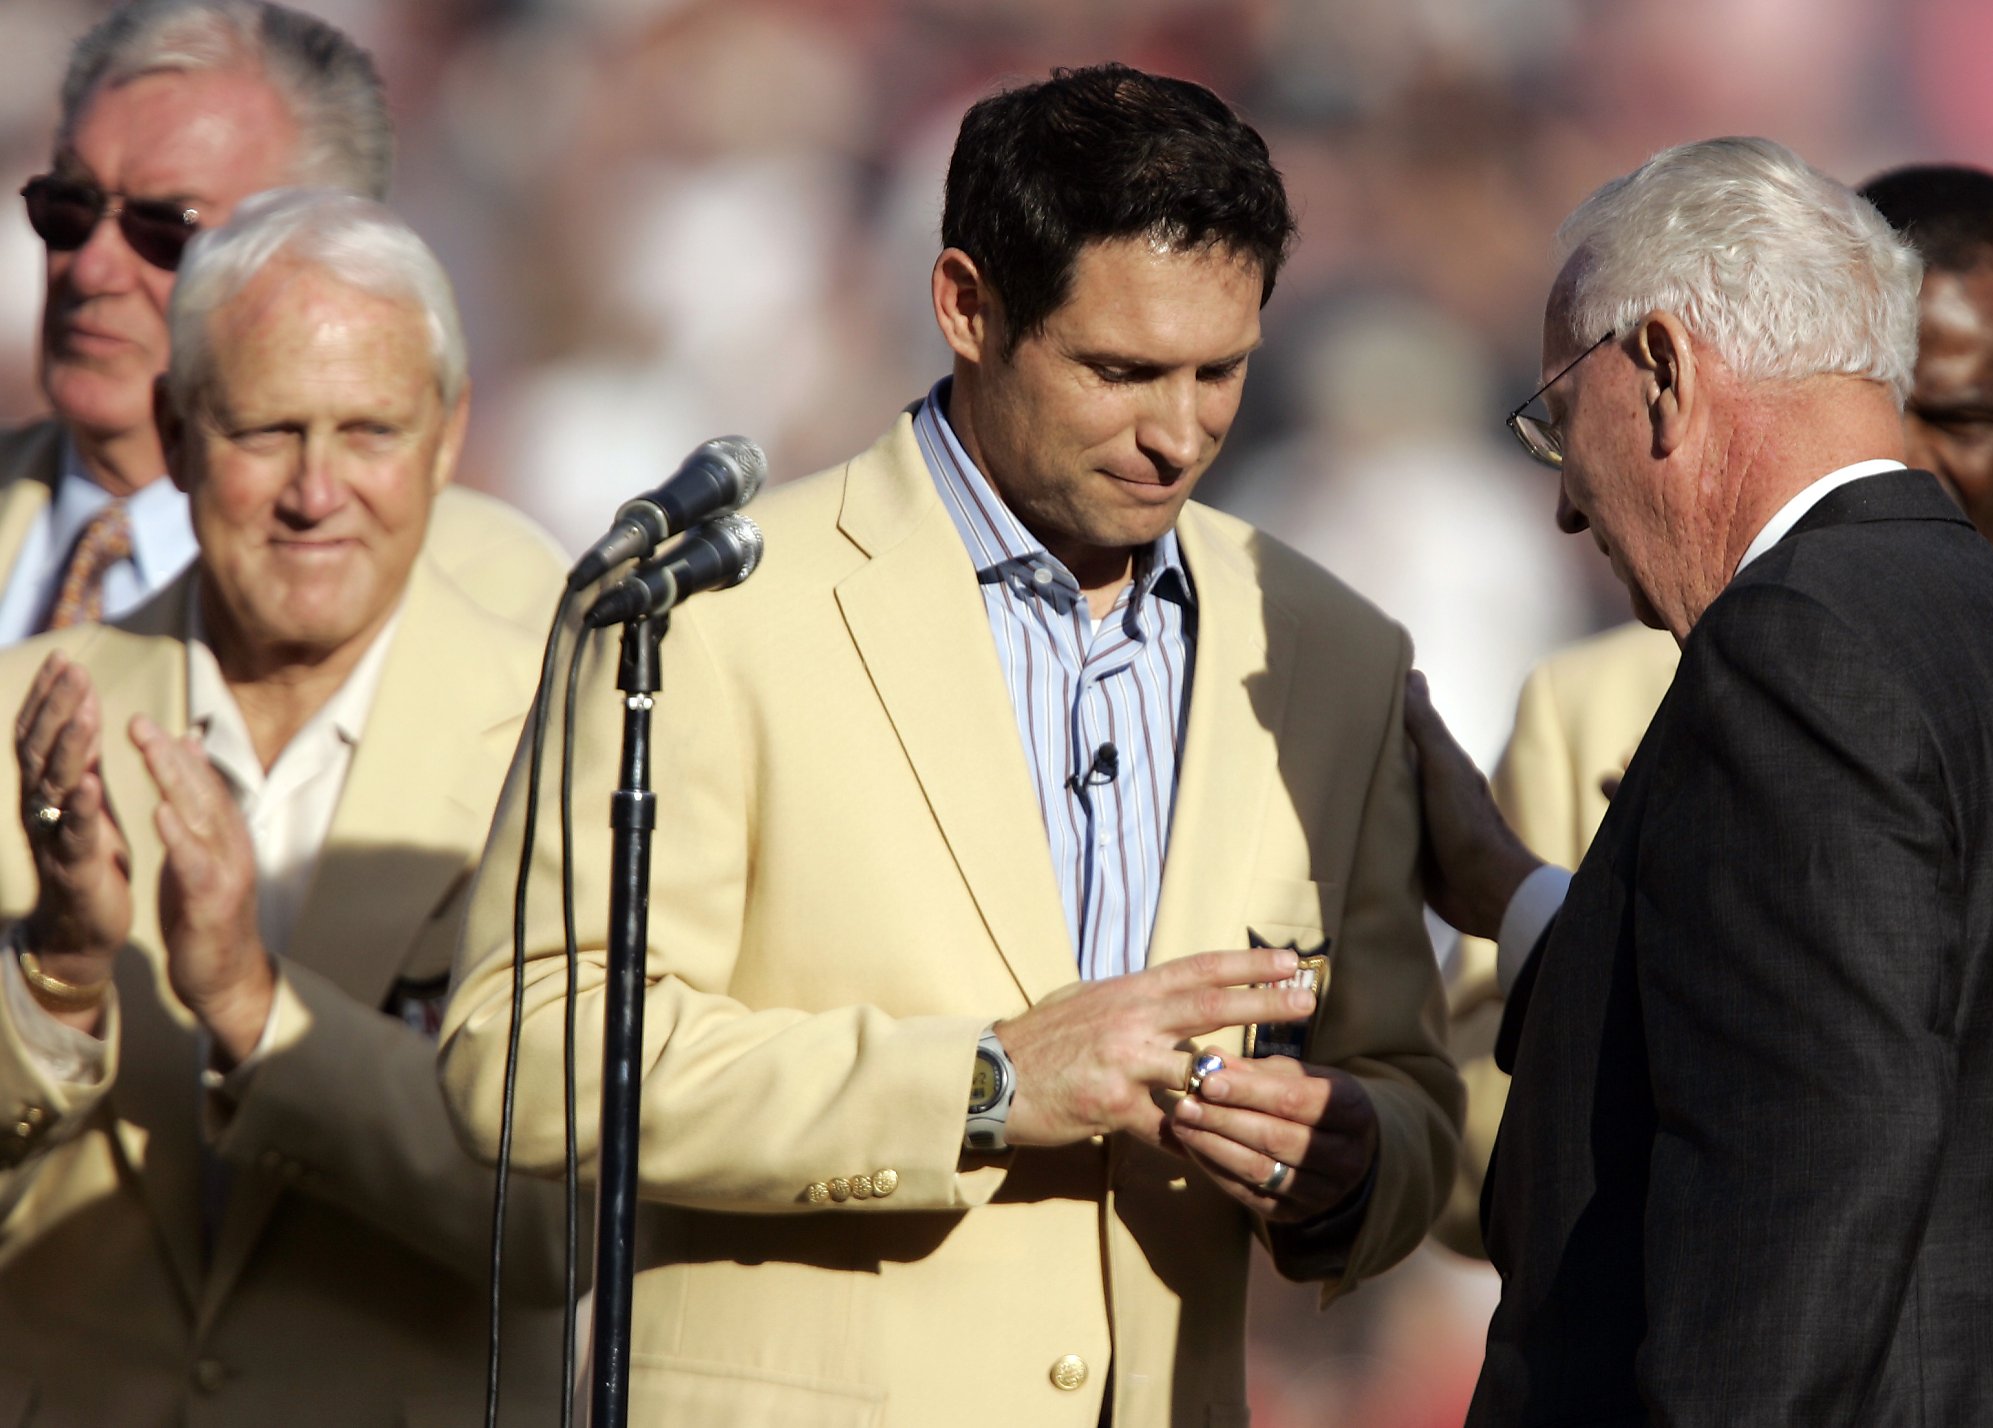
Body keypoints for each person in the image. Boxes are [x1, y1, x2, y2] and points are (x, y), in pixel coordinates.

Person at [440, 63, 1461, 1427]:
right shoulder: (709, 612)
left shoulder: (1330, 651)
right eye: (1121, 370)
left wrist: (1344, 1161)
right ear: (967, 306)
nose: (1179, 432)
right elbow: (524, 1053)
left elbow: (1409, 1101)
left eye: (1223, 373)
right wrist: (978, 1085)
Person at [1413, 136, 1993, 1423]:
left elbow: (1806, 1185)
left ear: (1657, 369)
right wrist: (1515, 894)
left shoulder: (1791, 649)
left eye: (1554, 421)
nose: (1566, 512)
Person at [0, 190, 565, 1425]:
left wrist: (255, 1011)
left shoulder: (576, 738)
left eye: (368, 431)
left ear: (448, 436)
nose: (318, 493)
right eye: (266, 431)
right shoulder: (18, 722)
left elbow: (564, 1226)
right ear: (176, 431)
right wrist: (57, 975)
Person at [0, 0, 560, 645]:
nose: (94, 268)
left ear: (324, 260)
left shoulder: (498, 614)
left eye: (165, 229)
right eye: (68, 206)